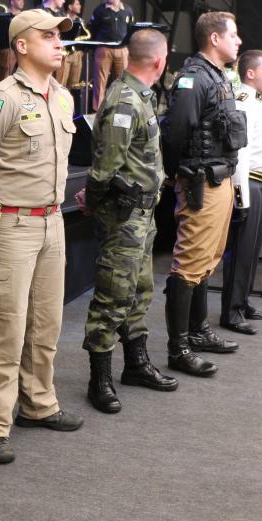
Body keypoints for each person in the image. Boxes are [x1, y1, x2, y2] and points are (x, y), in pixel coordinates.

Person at [0, 9, 84, 465]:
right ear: (22, 46)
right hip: (12, 225)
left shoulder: (63, 97)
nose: (59, 44)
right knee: (9, 329)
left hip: (53, 222)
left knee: (47, 322)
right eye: (48, 36)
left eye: (59, 36)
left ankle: (38, 404)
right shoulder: (1, 100)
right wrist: (3, 202)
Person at [81, 29, 177, 414]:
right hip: (123, 217)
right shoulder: (125, 101)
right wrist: (92, 202)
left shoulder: (141, 96)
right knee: (112, 296)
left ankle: (136, 364)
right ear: (160, 61)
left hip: (143, 215)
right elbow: (105, 168)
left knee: (139, 291)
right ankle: (99, 379)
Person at [160, 11, 245, 378]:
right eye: (233, 35)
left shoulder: (218, 76)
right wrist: (177, 174)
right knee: (190, 262)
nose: (238, 41)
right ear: (214, 38)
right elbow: (175, 133)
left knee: (208, 258)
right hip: (200, 182)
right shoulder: (194, 77)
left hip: (219, 178)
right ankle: (178, 348)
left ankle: (198, 331)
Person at [219, 49, 262, 336]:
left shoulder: (258, 101)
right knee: (241, 250)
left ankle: (243, 300)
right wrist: (241, 197)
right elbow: (240, 153)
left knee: (252, 249)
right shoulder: (243, 102)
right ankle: (232, 311)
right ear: (250, 73)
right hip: (248, 182)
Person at [88, 0, 134, 111]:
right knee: (100, 82)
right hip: (104, 49)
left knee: (123, 82)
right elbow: (92, 29)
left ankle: (122, 109)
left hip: (122, 49)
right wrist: (96, 47)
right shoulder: (100, 10)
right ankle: (97, 112)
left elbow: (131, 29)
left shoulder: (127, 10)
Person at [56, 0, 86, 89]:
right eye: (77, 4)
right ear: (70, 6)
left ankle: (70, 98)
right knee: (61, 83)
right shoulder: (62, 19)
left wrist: (81, 51)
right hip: (65, 54)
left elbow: (85, 36)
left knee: (74, 84)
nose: (80, 6)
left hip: (76, 54)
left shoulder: (80, 20)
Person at [0, 0, 24, 77]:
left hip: (21, 48)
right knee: (11, 55)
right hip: (8, 49)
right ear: (12, 2)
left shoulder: (24, 17)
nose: (22, 1)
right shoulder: (5, 15)